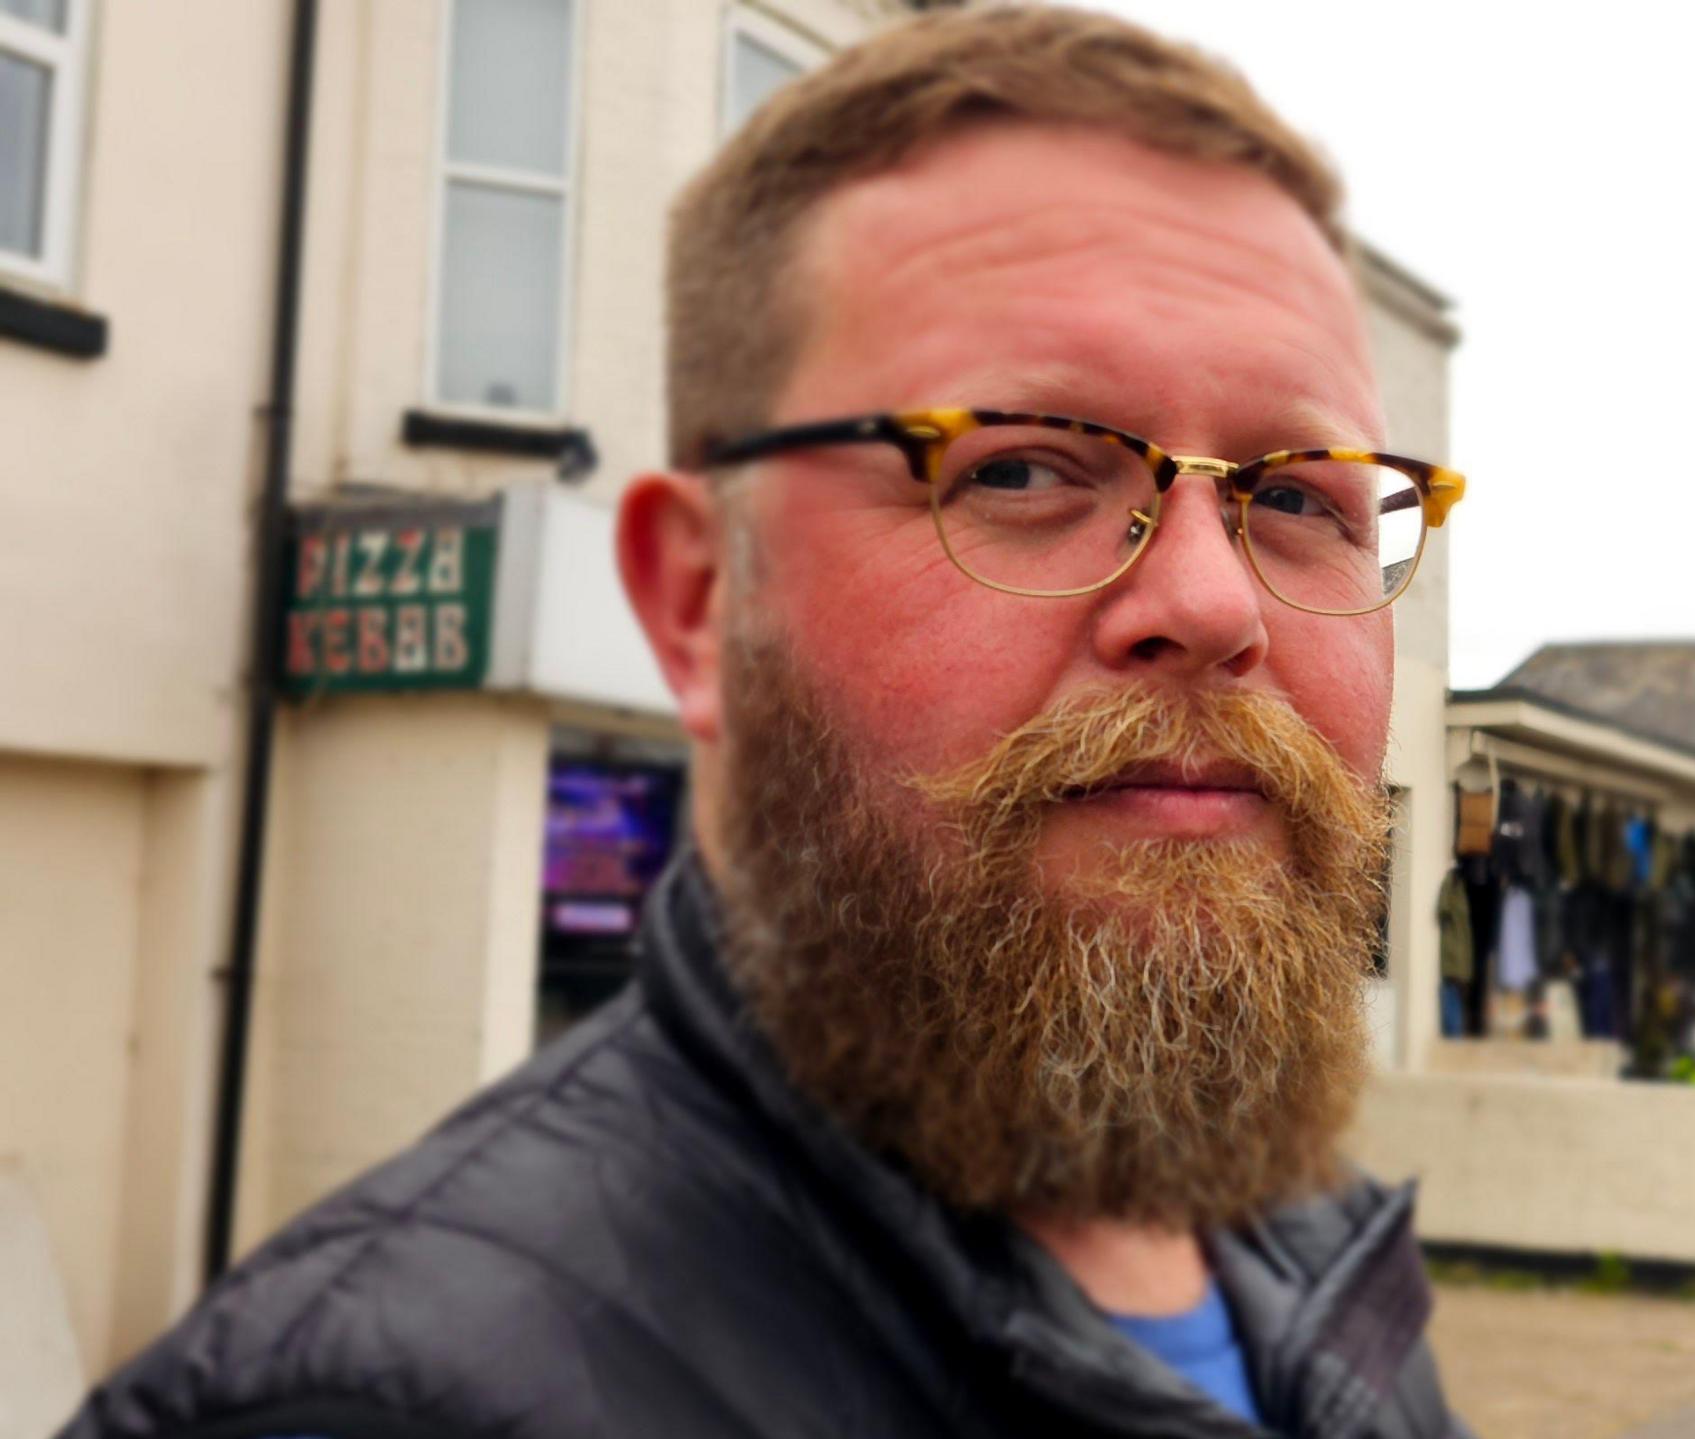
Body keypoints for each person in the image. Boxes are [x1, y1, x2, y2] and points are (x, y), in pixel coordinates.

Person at [59, 7, 1469, 1437]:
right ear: (697, 602)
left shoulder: (1318, 1255)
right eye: (1023, 469)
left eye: (1298, 500)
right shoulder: (379, 1404)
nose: (1213, 602)